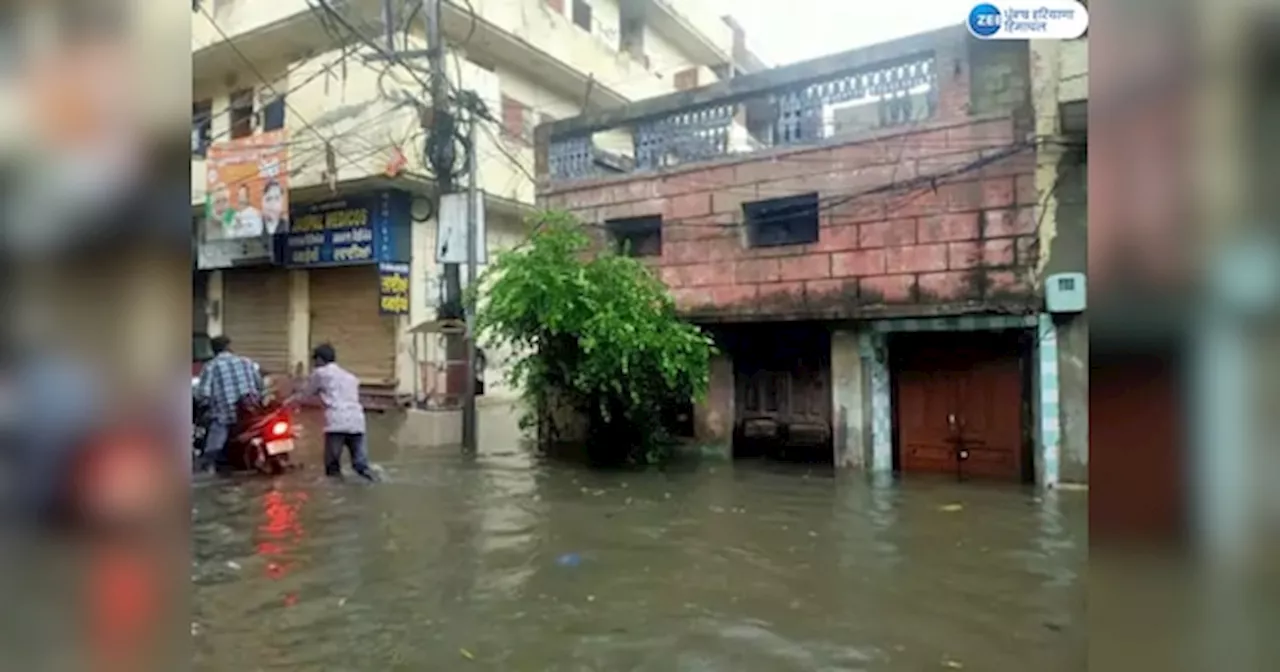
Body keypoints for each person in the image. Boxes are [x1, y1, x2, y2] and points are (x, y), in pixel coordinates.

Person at [288, 343, 375, 480]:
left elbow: (306, 393)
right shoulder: (350, 376)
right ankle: (373, 483)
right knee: (360, 466)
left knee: (332, 468)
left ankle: (336, 495)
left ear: (320, 360)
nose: (314, 364)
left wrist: (290, 401)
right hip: (357, 422)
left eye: (314, 360)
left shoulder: (320, 373)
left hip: (337, 422)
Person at [195, 336, 264, 472]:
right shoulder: (246, 361)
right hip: (251, 411)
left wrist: (202, 402)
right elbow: (260, 385)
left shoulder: (211, 366)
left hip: (225, 415)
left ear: (213, 350)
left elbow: (203, 394)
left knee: (215, 438)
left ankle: (209, 464)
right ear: (228, 347)